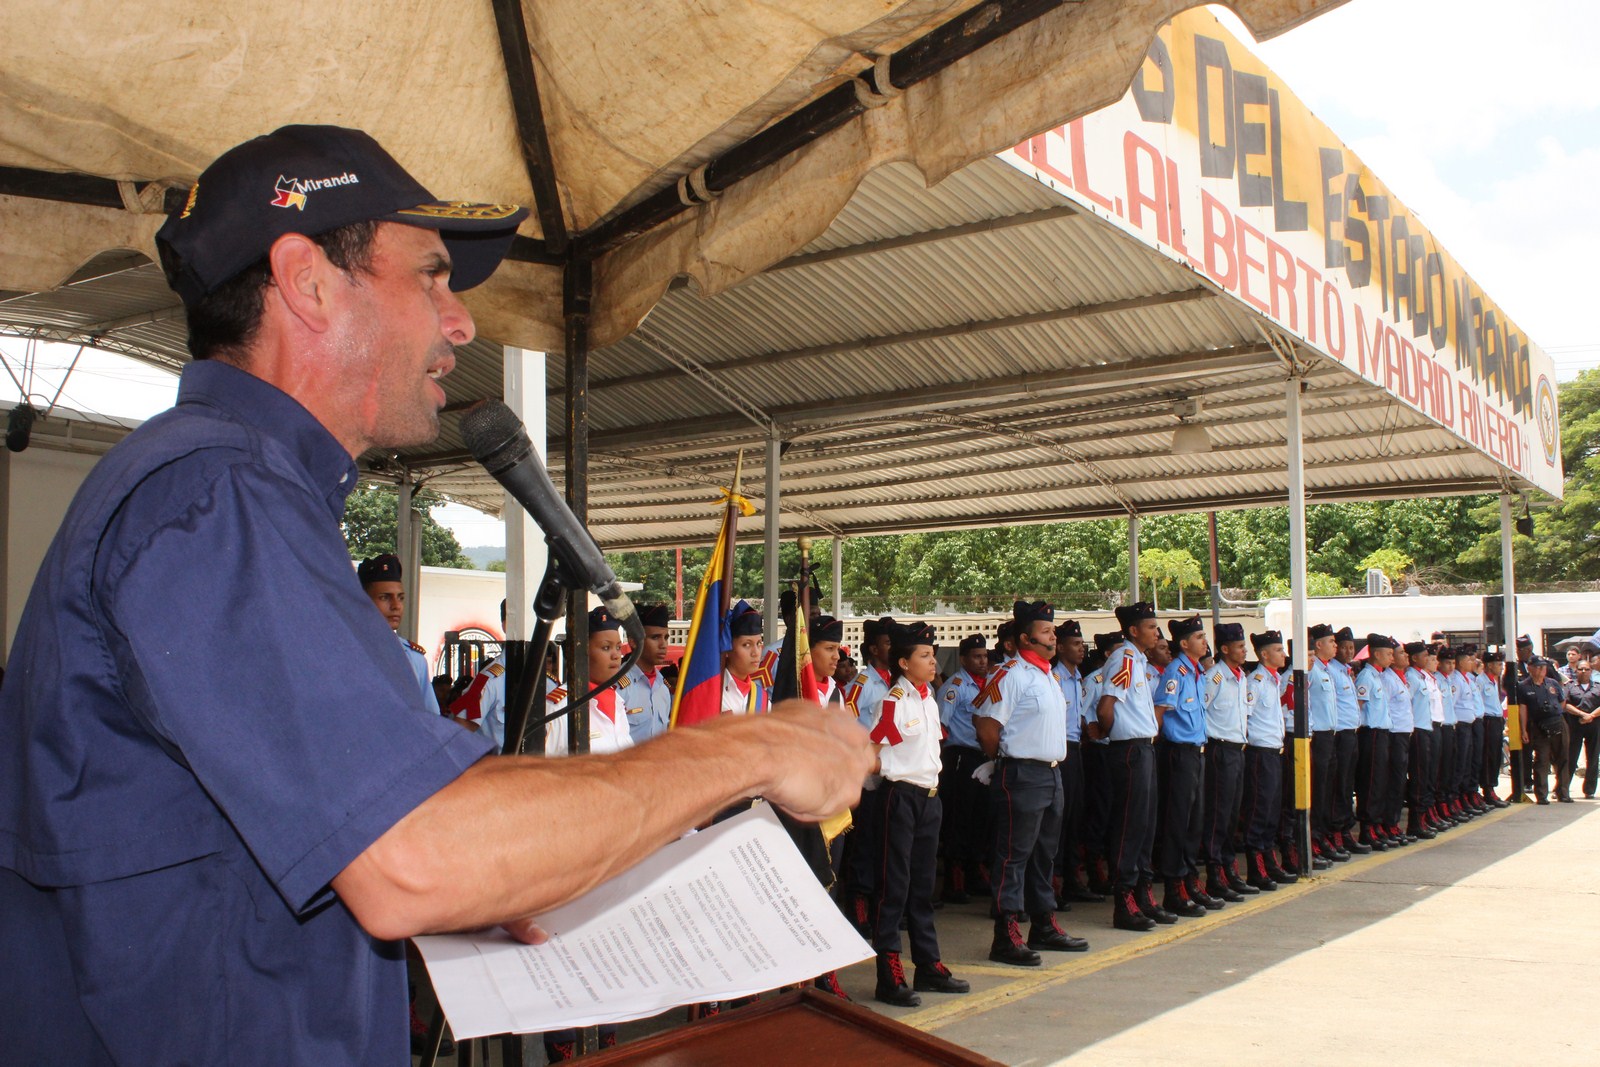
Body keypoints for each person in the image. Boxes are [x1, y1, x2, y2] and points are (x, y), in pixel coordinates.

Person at [0, 125, 873, 1065]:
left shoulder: (233, 494)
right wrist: (744, 745)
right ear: (307, 280)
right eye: (430, 277)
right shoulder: (215, 498)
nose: (460, 322)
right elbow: (408, 853)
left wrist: (494, 874)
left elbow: (333, 831)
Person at [974, 601, 1088, 962]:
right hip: (1022, 774)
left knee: (1044, 854)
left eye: (1052, 631)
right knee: (1013, 855)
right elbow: (987, 727)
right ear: (1025, 638)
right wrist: (1003, 762)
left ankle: (1043, 923)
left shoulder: (1048, 675)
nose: (1053, 636)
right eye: (1045, 631)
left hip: (1052, 773)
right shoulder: (1011, 675)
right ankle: (1006, 934)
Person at [866, 622, 970, 1007]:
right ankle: (888, 972)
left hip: (930, 798)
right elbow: (870, 752)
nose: (932, 661)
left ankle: (927, 964)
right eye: (925, 656)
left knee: (923, 887)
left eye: (932, 654)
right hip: (901, 798)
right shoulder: (894, 701)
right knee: (894, 887)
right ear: (904, 662)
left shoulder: (928, 697)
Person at [1097, 603, 1167, 931]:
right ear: (1134, 630)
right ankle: (1124, 900)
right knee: (1129, 826)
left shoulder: (1138, 660)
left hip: (1145, 748)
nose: (1157, 632)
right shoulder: (1123, 658)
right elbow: (1105, 706)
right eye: (1152, 627)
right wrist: (1117, 736)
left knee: (1145, 825)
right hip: (1130, 750)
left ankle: (1143, 895)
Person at [1153, 616, 1217, 917]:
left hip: (1197, 753)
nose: (1205, 642)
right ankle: (1173, 889)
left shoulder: (1197, 673)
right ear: (1183, 643)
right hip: (1178, 753)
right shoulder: (1175, 673)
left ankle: (1191, 882)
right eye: (1199, 636)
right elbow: (1160, 713)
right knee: (1177, 822)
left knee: (1194, 822)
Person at [1051, 620, 1102, 907]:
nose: (1081, 649)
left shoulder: (1077, 679)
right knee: (1059, 820)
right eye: (1075, 644)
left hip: (1077, 749)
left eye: (1082, 644)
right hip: (1060, 753)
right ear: (1060, 647)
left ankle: (1072, 878)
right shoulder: (1055, 678)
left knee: (1074, 818)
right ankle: (1055, 882)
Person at [1202, 623, 1253, 903]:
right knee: (1218, 815)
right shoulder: (1215, 677)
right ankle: (1213, 874)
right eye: (1239, 646)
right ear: (1224, 649)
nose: (1244, 650)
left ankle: (1228, 869)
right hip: (1219, 750)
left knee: (1233, 814)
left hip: (1238, 749)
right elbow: (1202, 710)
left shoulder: (1240, 677)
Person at [938, 634, 990, 904]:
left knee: (980, 818)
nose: (983, 661)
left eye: (984, 656)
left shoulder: (989, 684)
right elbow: (941, 727)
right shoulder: (955, 686)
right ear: (964, 659)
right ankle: (954, 877)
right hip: (961, 756)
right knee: (959, 817)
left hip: (984, 756)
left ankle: (975, 870)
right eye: (977, 657)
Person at [358, 553, 439, 716]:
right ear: (363, 601)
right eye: (384, 597)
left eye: (400, 598)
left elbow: (431, 720)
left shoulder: (414, 658)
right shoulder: (344, 651)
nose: (396, 606)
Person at [1354, 635, 1398, 850]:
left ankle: (1377, 824)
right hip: (1370, 734)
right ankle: (1367, 828)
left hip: (1382, 733)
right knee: (1370, 782)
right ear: (1377, 654)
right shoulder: (1366, 677)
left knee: (1381, 781)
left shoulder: (1379, 676)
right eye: (1389, 654)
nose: (1392, 657)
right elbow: (1359, 705)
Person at [1328, 627, 1365, 858]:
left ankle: (1345, 832)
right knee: (1338, 786)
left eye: (1352, 647)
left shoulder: (1345, 671)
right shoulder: (1331, 670)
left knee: (1347, 784)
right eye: (1343, 646)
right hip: (1339, 734)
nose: (1348, 651)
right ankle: (1336, 833)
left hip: (1351, 733)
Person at [621, 602, 674, 744]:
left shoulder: (662, 687)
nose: (663, 645)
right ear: (633, 641)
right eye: (655, 637)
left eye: (666, 637)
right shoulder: (618, 687)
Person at [1402, 642, 1440, 840]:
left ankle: (1423, 818)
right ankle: (1415, 823)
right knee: (1418, 777)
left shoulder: (1422, 677)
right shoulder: (1412, 678)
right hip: (1416, 730)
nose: (1428, 659)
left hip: (1426, 729)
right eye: (1424, 656)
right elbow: (1405, 705)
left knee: (1426, 776)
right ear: (1414, 658)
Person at [1520, 658, 1570, 804]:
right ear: (1530, 668)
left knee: (1563, 758)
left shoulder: (1552, 683)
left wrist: (1556, 712)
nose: (1542, 670)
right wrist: (1524, 730)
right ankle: (1541, 795)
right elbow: (1523, 709)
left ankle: (1563, 792)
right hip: (1538, 726)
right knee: (1542, 760)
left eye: (1543, 667)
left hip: (1557, 722)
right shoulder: (1523, 686)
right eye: (1538, 667)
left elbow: (1562, 700)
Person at [1379, 642, 1415, 843]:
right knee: (1392, 781)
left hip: (1403, 734)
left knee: (1400, 780)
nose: (1405, 656)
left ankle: (1392, 823)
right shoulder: (1387, 679)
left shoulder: (1401, 679)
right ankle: (1388, 823)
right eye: (1401, 653)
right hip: (1393, 735)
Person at [722, 602, 771, 715]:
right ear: (728, 648)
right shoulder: (713, 689)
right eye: (746, 645)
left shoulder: (762, 697)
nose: (755, 653)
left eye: (759, 643)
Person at [1562, 659, 1600, 800]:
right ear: (1576, 671)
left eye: (1587, 669)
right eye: (1581, 669)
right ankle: (1563, 788)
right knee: (1570, 757)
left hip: (1594, 725)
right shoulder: (1570, 686)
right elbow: (1565, 705)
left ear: (1591, 671)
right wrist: (1582, 714)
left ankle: (1589, 790)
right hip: (1575, 725)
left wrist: (1591, 716)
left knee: (1593, 757)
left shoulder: (1597, 687)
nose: (1584, 672)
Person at [1478, 650, 1510, 806]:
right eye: (1498, 664)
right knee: (1488, 755)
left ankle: (1492, 786)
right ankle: (1487, 788)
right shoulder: (1481, 681)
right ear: (1489, 665)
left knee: (1496, 755)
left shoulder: (1495, 681)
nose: (1501, 667)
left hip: (1497, 721)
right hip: (1487, 720)